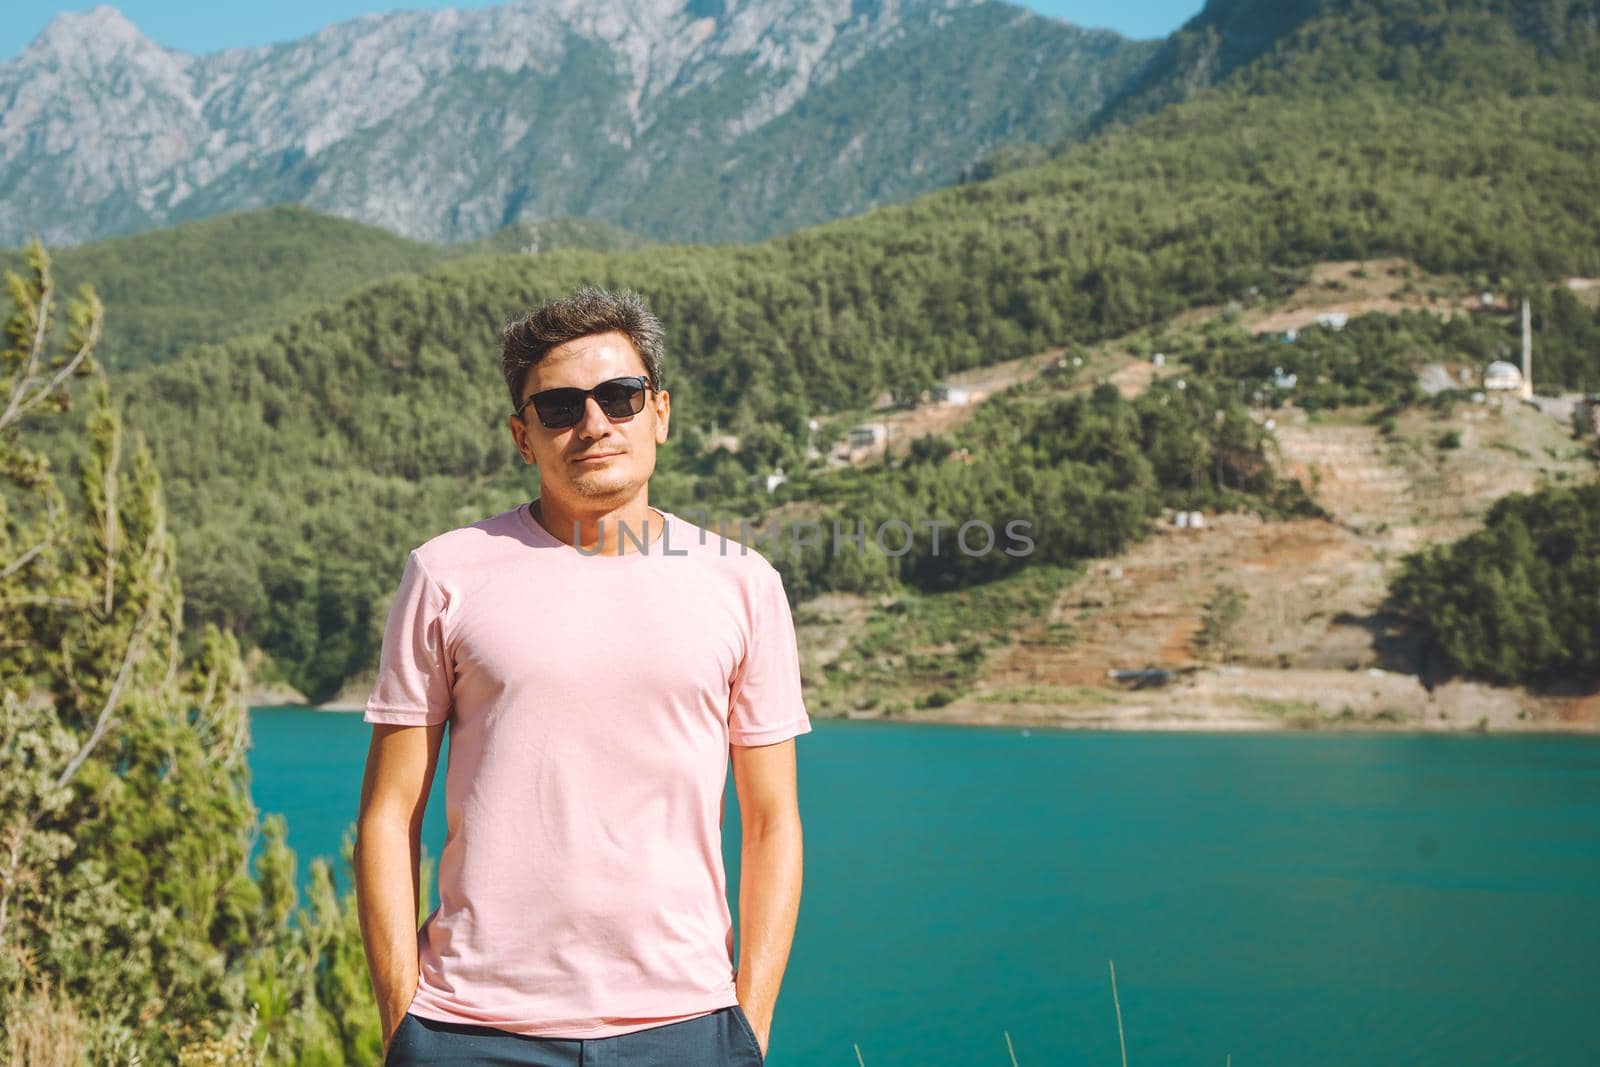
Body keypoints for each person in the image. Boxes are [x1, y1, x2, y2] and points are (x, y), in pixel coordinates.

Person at [354, 287, 811, 1066]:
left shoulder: (743, 583)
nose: (594, 423)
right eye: (560, 406)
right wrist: (406, 1023)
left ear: (659, 412)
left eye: (620, 397)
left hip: (686, 1027)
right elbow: (389, 816)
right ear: (522, 436)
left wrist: (748, 1023)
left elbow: (771, 823)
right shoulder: (445, 573)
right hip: (471, 1029)